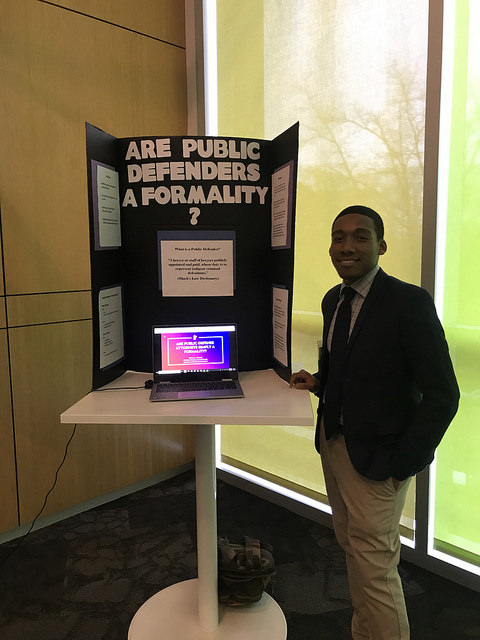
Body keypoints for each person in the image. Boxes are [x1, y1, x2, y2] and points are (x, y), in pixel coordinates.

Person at [290, 205, 459, 640]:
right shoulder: (334, 299)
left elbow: (443, 394)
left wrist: (404, 463)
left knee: (375, 567)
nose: (347, 246)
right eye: (338, 236)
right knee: (356, 552)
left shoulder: (409, 303)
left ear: (381, 246)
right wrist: (318, 382)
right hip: (334, 445)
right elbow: (348, 368)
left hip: (379, 460)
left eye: (360, 237)